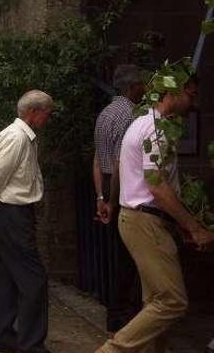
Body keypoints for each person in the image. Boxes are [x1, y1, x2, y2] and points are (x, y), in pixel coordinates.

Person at [96, 74, 214, 353]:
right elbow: (157, 186)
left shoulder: (140, 123)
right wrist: (194, 226)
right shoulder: (156, 128)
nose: (194, 101)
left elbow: (120, 170)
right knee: (171, 301)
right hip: (145, 219)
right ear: (172, 92)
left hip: (137, 216)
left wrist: (112, 204)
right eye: (191, 94)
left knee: (156, 302)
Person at [0, 90, 54, 353]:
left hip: (13, 213)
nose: (48, 119)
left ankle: (6, 339)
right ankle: (31, 345)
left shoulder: (23, 137)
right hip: (11, 214)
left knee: (8, 279)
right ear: (34, 112)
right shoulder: (17, 137)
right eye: (47, 114)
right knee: (34, 279)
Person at [92, 64, 145, 332]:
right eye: (142, 85)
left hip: (110, 184)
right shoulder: (132, 115)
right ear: (133, 87)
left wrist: (100, 196)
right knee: (132, 258)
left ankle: (116, 312)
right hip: (124, 187)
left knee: (120, 255)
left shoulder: (105, 114)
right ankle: (127, 314)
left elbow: (98, 160)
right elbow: (119, 161)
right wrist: (112, 201)